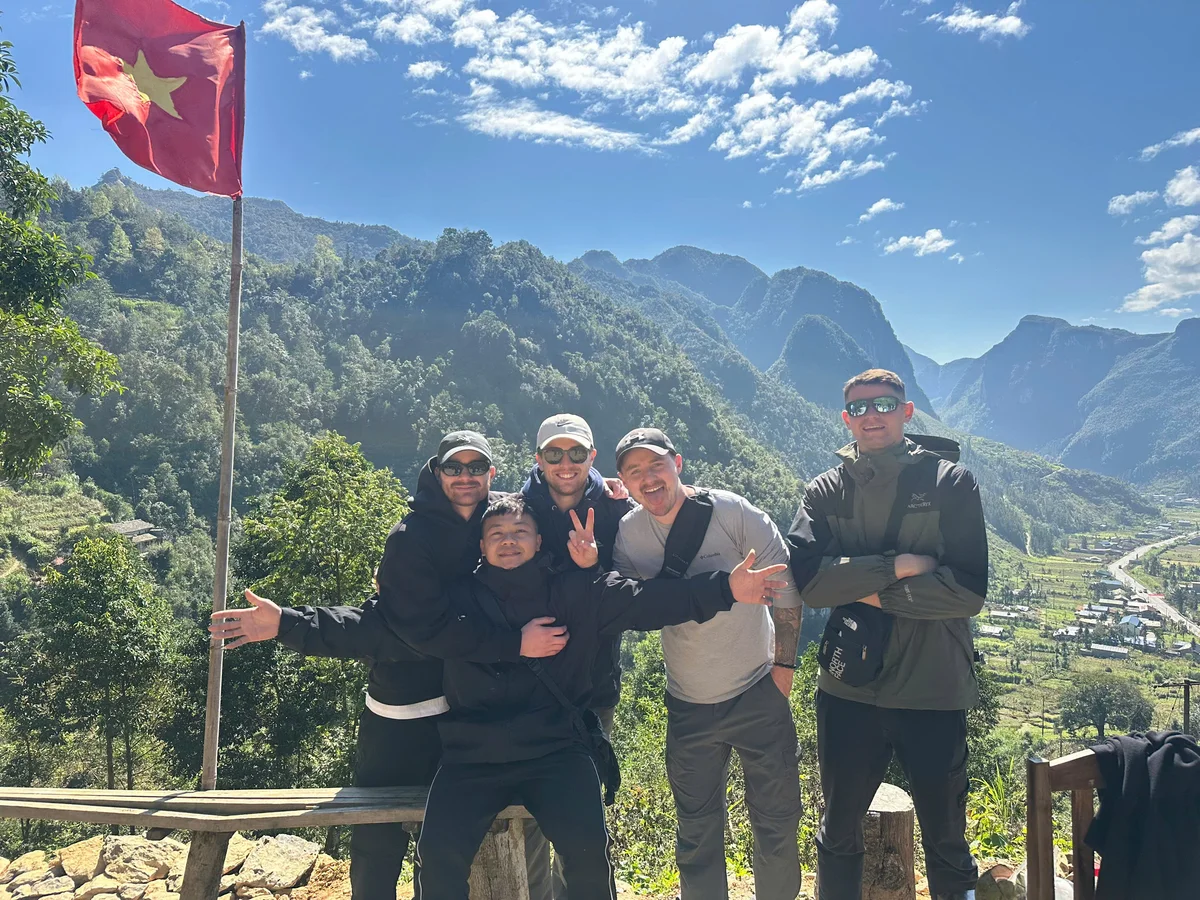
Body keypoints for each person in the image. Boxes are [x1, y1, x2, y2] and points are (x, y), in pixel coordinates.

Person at [209, 430, 568, 900]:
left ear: (490, 473)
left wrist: (610, 497)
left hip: (461, 720)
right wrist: (286, 624)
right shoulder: (409, 540)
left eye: (475, 467)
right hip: (397, 722)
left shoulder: (497, 520)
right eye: (454, 467)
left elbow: (554, 508)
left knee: (444, 850)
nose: (465, 476)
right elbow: (388, 628)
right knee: (377, 849)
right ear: (436, 472)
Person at [410, 495, 790, 900]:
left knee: (589, 857)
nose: (508, 541)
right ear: (481, 546)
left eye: (520, 531)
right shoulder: (455, 599)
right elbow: (402, 625)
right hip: (472, 752)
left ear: (539, 541)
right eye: (496, 534)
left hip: (555, 750)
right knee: (436, 857)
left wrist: (726, 587)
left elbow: (650, 601)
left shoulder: (576, 591)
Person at [787, 368, 987, 900]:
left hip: (933, 687)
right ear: (845, 417)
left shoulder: (951, 483)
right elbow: (807, 580)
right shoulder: (826, 490)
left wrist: (858, 586)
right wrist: (898, 566)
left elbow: (967, 590)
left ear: (907, 411)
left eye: (883, 404)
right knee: (838, 830)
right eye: (859, 407)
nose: (871, 415)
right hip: (849, 687)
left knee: (947, 837)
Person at [612, 428, 804, 900]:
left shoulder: (734, 513)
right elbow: (626, 606)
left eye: (656, 465)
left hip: (758, 689)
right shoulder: (630, 535)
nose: (648, 478)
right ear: (623, 481)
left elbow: (785, 585)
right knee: (696, 832)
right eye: (634, 471)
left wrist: (783, 670)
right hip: (688, 703)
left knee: (777, 822)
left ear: (678, 462)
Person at [519, 414, 635, 900]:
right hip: (525, 683)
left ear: (593, 457)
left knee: (582, 812)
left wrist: (593, 569)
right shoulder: (516, 509)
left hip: (591, 685)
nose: (564, 464)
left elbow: (630, 591)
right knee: (525, 811)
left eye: (575, 453)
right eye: (553, 454)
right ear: (538, 459)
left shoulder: (616, 512)